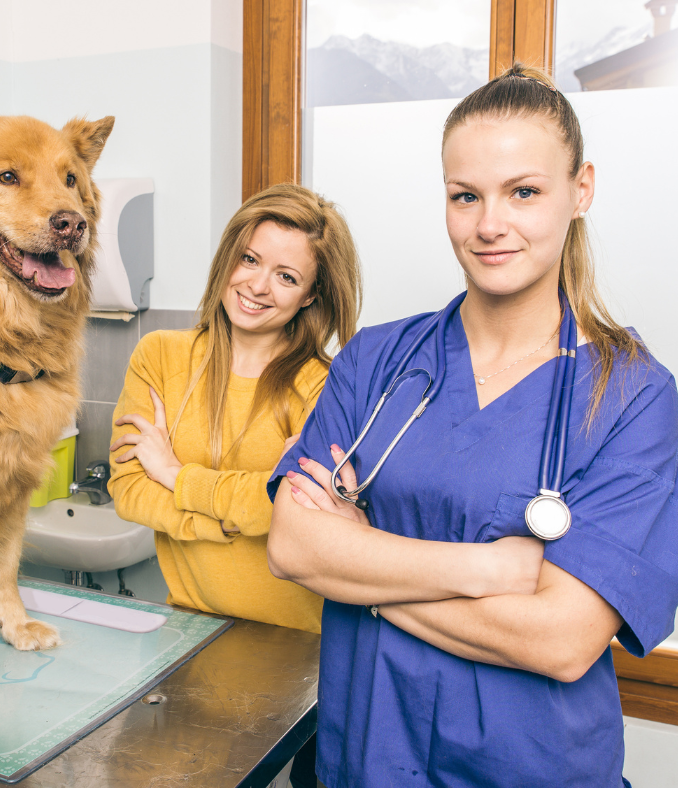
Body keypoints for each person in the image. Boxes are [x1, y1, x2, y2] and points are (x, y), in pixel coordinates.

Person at [267, 64, 678, 788]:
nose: (490, 225)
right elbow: (294, 546)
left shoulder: (633, 395)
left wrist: (360, 566)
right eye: (466, 196)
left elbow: (561, 641)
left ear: (580, 190)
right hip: (366, 761)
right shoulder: (376, 362)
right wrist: (488, 571)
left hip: (532, 768)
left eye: (524, 192)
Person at [108, 183, 362, 787]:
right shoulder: (161, 357)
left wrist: (175, 475)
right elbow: (128, 488)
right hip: (190, 634)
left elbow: (297, 512)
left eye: (286, 276)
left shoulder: (324, 385)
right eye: (249, 259)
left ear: (310, 296)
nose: (257, 285)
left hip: (301, 648)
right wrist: (234, 510)